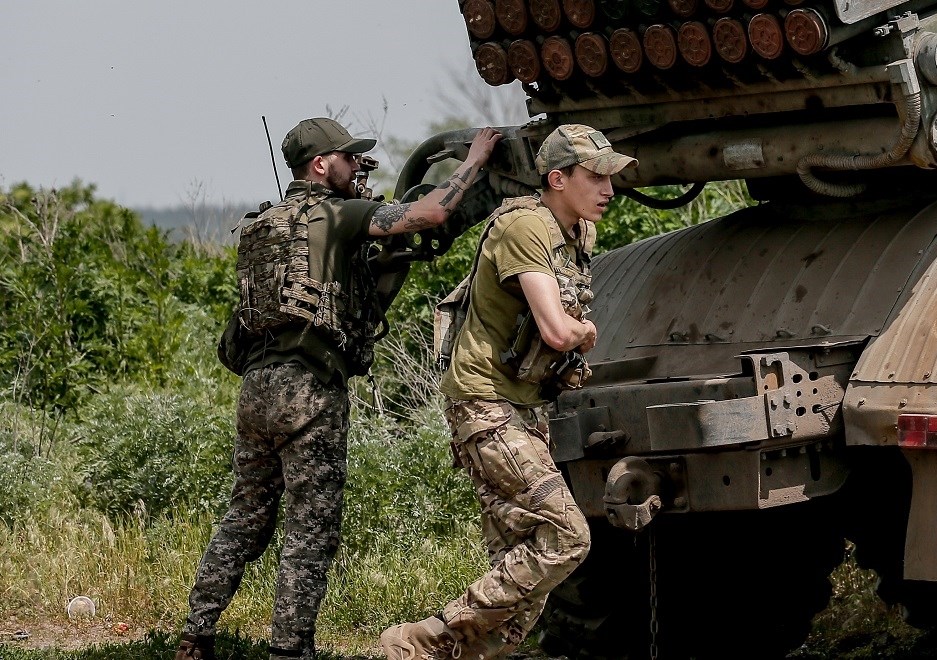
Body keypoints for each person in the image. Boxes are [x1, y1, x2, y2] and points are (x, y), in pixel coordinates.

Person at [174, 117, 502, 660]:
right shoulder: (337, 213)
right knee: (311, 528)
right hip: (309, 388)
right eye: (349, 159)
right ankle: (289, 650)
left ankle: (195, 635)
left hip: (256, 388)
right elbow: (433, 212)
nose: (357, 167)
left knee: (246, 516)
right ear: (321, 165)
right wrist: (475, 160)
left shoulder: (264, 225)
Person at [379, 124, 637, 660]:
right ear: (558, 178)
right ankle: (416, 642)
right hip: (485, 402)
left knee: (521, 579)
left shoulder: (576, 232)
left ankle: (454, 653)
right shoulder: (524, 226)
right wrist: (585, 333)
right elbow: (559, 332)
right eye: (596, 177)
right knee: (567, 538)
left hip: (521, 406)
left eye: (611, 176)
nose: (609, 189)